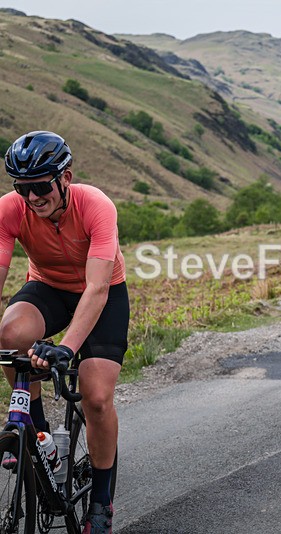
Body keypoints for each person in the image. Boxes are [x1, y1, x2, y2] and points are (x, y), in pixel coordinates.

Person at [0, 131, 128, 533]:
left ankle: (101, 502)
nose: (32, 197)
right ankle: (35, 430)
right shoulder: (9, 210)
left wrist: (67, 348)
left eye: (40, 186)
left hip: (101, 292)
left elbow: (97, 288)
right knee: (10, 333)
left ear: (65, 178)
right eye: (23, 188)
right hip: (48, 288)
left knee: (96, 397)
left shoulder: (97, 206)